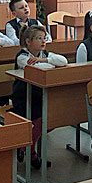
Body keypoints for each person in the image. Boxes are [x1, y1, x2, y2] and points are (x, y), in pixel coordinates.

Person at [11, 25, 67, 169]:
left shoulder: (45, 54)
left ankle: (24, 146)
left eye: (44, 38)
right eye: (39, 38)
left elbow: (63, 61)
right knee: (41, 119)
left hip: (40, 95)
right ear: (28, 41)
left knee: (53, 119)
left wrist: (45, 60)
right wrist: (49, 63)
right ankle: (30, 151)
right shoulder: (22, 56)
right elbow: (37, 69)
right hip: (24, 97)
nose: (43, 41)